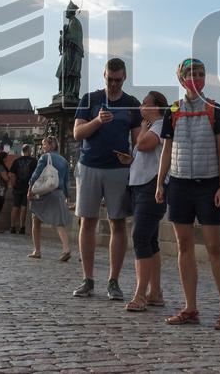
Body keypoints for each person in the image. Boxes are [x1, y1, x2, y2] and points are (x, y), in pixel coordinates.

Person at [156, 59, 220, 330]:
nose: (196, 78)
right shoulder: (174, 110)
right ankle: (190, 307)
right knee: (184, 246)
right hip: (179, 183)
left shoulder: (214, 108)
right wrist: (160, 183)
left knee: (214, 247)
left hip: (208, 184)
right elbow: (167, 149)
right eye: (190, 74)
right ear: (180, 78)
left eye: (200, 74)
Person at [72, 57, 141, 300]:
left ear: (124, 78)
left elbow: (139, 142)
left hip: (118, 170)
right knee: (87, 222)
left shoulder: (132, 104)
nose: (113, 84)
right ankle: (88, 280)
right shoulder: (90, 99)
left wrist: (132, 158)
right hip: (89, 165)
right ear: (104, 76)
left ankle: (114, 281)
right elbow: (78, 133)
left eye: (118, 80)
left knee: (118, 223)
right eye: (110, 80)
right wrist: (98, 121)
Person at [124, 91, 169, 312]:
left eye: (145, 104)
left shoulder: (159, 126)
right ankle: (156, 293)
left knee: (140, 237)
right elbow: (143, 153)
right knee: (150, 241)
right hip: (142, 185)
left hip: (151, 187)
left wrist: (141, 129)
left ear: (156, 107)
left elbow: (143, 144)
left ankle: (140, 294)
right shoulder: (154, 127)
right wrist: (131, 160)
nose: (141, 107)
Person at [26, 136, 72, 262]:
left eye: (44, 144)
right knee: (59, 222)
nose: (43, 147)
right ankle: (66, 249)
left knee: (35, 219)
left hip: (43, 193)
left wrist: (30, 189)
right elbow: (67, 180)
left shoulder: (45, 157)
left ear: (51, 145)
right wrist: (67, 197)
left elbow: (36, 174)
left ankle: (37, 250)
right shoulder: (64, 160)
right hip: (58, 193)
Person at [9, 144, 38, 235]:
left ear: (22, 151)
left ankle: (12, 227)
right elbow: (36, 175)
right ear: (29, 151)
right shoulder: (34, 161)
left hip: (18, 186)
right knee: (24, 207)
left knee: (15, 206)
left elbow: (12, 174)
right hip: (28, 187)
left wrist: (14, 185)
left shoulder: (16, 161)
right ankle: (22, 227)